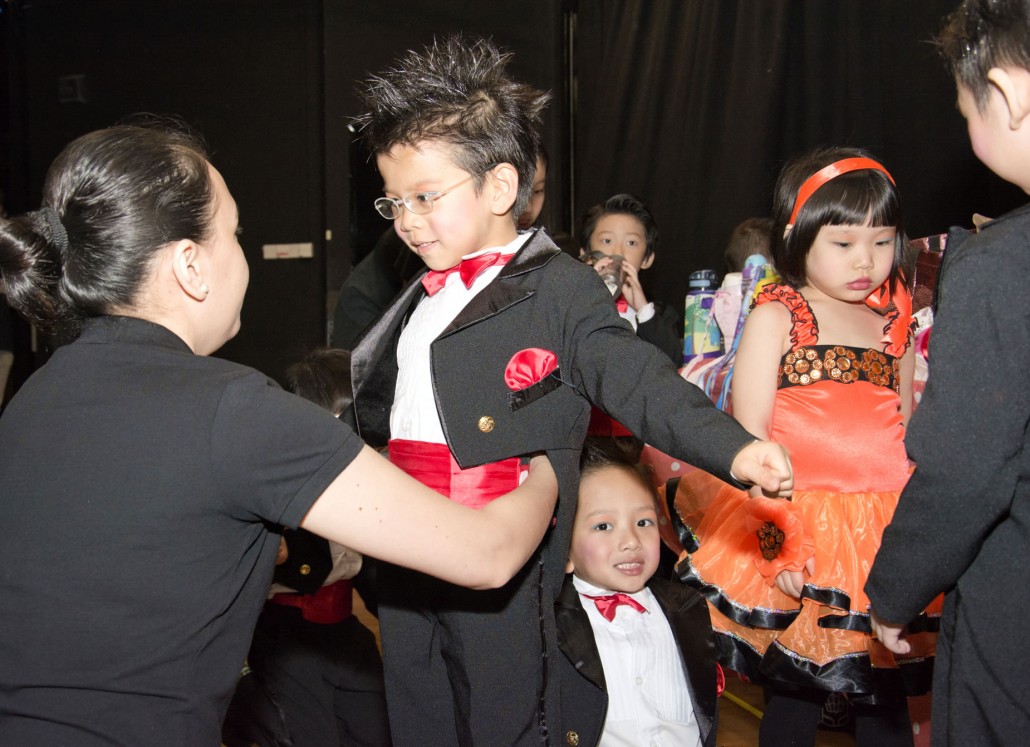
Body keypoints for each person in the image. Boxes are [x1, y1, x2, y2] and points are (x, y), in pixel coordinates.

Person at [0, 120, 561, 746]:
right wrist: (554, 456)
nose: (241, 256)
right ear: (190, 265)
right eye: (234, 234)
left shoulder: (31, 401)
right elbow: (486, 555)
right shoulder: (233, 412)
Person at [349, 34, 793, 746]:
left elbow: (632, 374)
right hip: (406, 540)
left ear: (500, 187)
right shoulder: (421, 290)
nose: (406, 219)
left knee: (504, 714)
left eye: (425, 196)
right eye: (393, 201)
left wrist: (733, 447)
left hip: (498, 545)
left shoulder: (560, 286)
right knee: (418, 705)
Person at [674, 146, 938, 746]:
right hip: (800, 527)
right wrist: (781, 547)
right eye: (844, 243)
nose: (865, 260)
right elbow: (749, 443)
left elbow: (903, 433)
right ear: (797, 237)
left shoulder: (893, 324)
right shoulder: (779, 314)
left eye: (881, 241)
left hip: (880, 533)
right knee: (795, 697)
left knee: (884, 698)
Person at [866, 2, 1030, 743]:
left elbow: (966, 467)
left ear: (1006, 93)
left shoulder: (1001, 266)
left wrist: (896, 587)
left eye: (966, 111)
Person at [228, 347, 391, 747]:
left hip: (343, 631)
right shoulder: (275, 483)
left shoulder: (369, 482)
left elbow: (372, 574)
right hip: (286, 636)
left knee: (379, 731)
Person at [556, 439, 721, 747]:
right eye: (603, 526)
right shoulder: (547, 624)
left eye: (643, 522)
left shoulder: (690, 608)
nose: (632, 540)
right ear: (564, 549)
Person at [579, 193, 682, 363]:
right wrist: (590, 296)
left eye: (631, 243)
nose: (618, 252)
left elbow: (672, 363)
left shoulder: (660, 316)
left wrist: (643, 309)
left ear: (647, 259)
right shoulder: (571, 305)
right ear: (586, 254)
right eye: (607, 241)